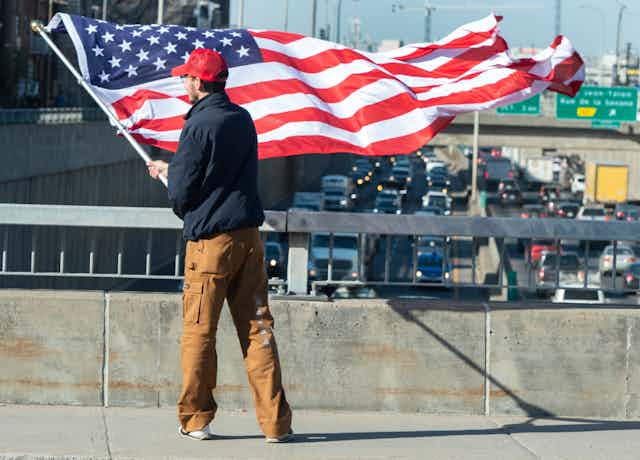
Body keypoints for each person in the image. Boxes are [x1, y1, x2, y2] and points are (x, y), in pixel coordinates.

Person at [147, 48, 293, 443]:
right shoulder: (241, 119)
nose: (182, 83)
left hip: (211, 245)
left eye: (186, 78)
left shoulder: (197, 125)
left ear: (198, 82)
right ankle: (276, 425)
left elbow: (182, 193)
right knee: (258, 329)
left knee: (199, 332)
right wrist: (173, 170)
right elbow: (220, 174)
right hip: (249, 240)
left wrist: (168, 176)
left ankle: (196, 420)